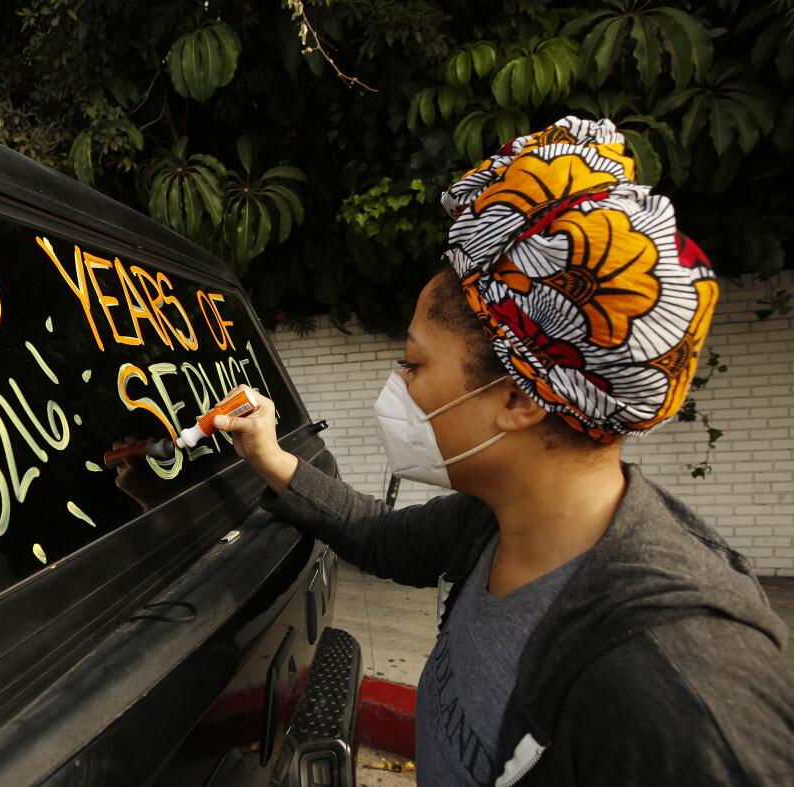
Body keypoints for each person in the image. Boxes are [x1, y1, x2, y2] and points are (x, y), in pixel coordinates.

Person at [214, 117, 794, 786]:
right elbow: (378, 534)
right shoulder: (492, 523)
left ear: (520, 398)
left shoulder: (681, 691)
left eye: (413, 364)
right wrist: (264, 452)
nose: (398, 388)